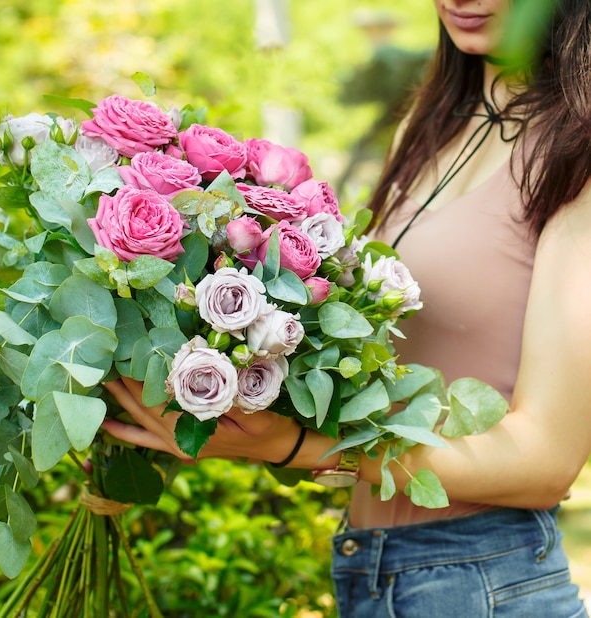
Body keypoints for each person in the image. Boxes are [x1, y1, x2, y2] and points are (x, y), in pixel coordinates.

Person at [103, 0, 591, 615]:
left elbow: (545, 461)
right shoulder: (434, 119)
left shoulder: (579, 147)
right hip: (374, 571)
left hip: (484, 580)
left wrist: (293, 446)